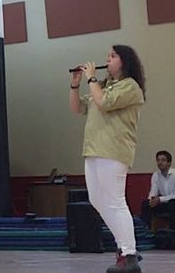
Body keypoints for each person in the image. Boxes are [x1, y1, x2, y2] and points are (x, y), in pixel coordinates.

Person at [69, 45, 147, 273]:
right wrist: (75, 84)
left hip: (114, 150)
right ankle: (125, 249)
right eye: (108, 56)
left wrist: (91, 77)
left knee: (115, 201)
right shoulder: (102, 86)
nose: (107, 60)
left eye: (113, 56)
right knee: (97, 200)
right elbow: (77, 108)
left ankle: (129, 254)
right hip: (94, 149)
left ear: (125, 61)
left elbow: (104, 103)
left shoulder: (130, 86)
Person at [140, 151, 175, 231]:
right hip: (162, 203)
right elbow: (153, 191)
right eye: (158, 160)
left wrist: (160, 199)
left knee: (173, 203)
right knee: (146, 204)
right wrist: (151, 199)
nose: (160, 162)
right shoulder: (156, 175)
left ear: (169, 163)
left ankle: (173, 233)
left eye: (163, 160)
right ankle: (146, 232)